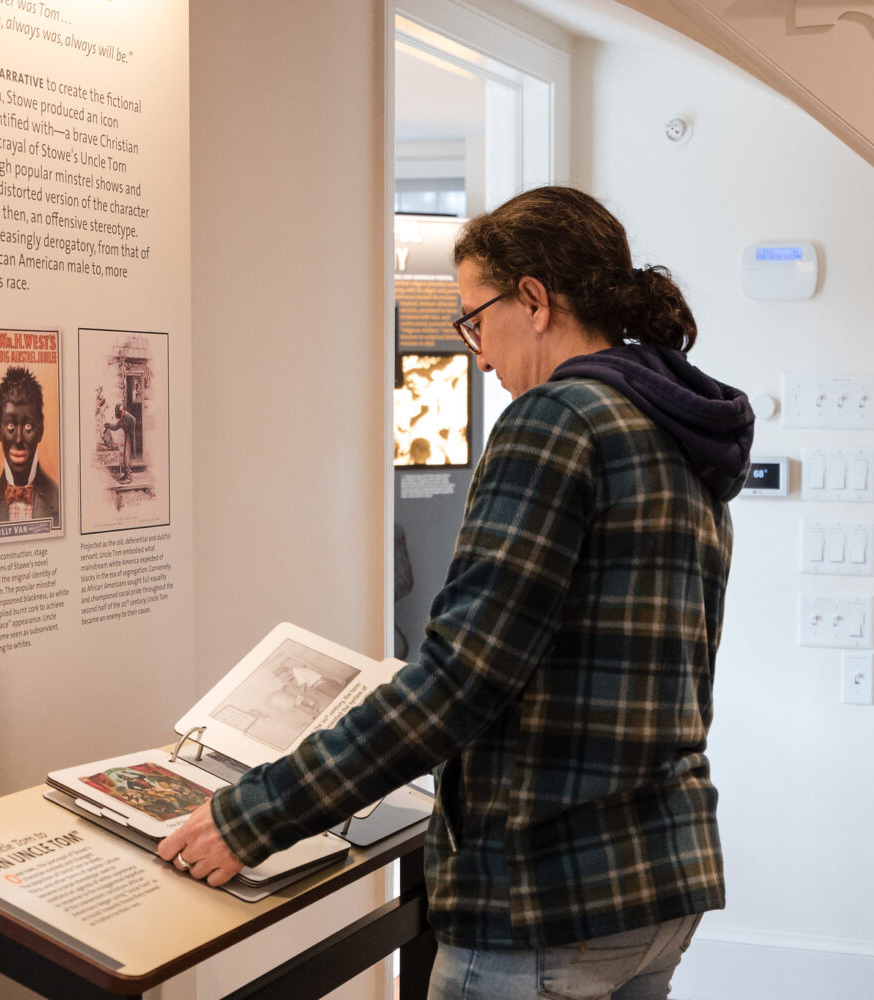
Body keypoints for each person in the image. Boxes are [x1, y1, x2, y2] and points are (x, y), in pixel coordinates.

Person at [160, 186, 753, 1000]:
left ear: (535, 300)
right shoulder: (676, 427)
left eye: (475, 320)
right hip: (654, 882)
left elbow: (458, 682)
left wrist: (255, 814)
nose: (478, 356)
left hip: (544, 899)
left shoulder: (557, 421)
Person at [0, 366, 60, 529]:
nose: (18, 439)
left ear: (41, 430)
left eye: (28, 427)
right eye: (10, 426)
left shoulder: (60, 498)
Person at [103, 402, 137, 482]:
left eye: (116, 411)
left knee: (127, 457)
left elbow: (134, 420)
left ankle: (129, 477)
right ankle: (126, 475)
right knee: (125, 456)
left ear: (120, 411)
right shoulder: (122, 418)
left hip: (130, 436)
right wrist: (108, 425)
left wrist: (130, 432)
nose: (116, 413)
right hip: (127, 436)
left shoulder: (126, 416)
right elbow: (115, 427)